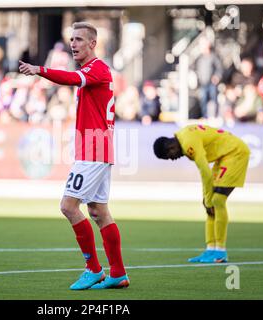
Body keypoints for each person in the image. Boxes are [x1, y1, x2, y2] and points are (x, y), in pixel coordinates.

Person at [19, 22, 129, 290]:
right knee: (99, 211)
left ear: (93, 43)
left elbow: (69, 79)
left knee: (68, 207)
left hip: (94, 149)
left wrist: (39, 70)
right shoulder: (92, 72)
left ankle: (93, 269)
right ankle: (118, 273)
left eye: (79, 39)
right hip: (95, 148)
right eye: (72, 39)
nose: (73, 44)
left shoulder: (97, 68)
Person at [153, 124, 250, 263]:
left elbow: (205, 172)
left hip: (236, 152)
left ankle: (220, 252)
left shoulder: (188, 144)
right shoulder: (183, 136)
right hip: (224, 156)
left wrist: (207, 199)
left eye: (169, 157)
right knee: (211, 205)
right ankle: (211, 250)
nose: (173, 159)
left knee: (217, 201)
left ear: (170, 147)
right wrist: (206, 199)